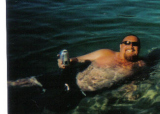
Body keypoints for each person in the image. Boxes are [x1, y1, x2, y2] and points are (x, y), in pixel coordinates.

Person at [8, 34, 146, 94]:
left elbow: (136, 82)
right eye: (127, 43)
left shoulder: (140, 65)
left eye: (135, 44)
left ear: (139, 48)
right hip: (71, 77)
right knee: (29, 82)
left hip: (83, 93)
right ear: (121, 45)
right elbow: (77, 59)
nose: (131, 46)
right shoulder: (105, 53)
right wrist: (64, 62)